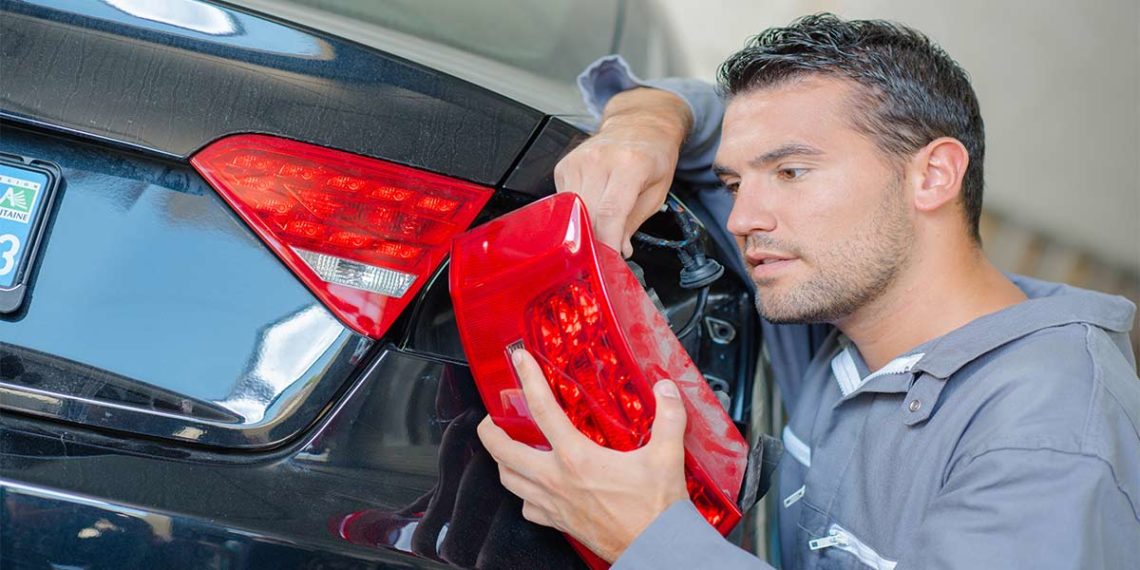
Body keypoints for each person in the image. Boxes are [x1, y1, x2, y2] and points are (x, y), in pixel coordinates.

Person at [476, 14, 1140, 569]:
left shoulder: (1047, 435)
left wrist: (652, 541)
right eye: (735, 184)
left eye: (792, 172)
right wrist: (644, 121)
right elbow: (701, 117)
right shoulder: (837, 314)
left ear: (933, 176)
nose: (741, 219)